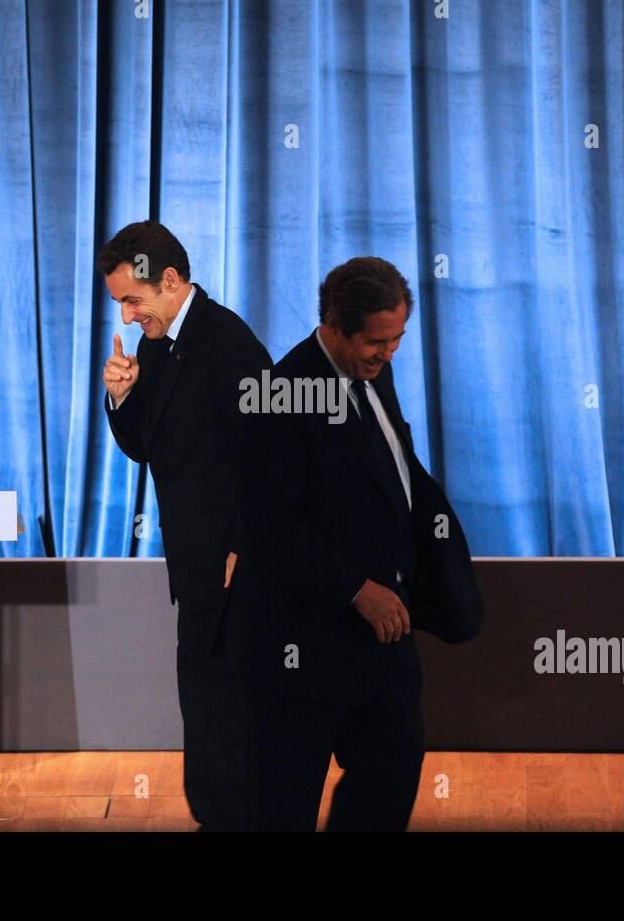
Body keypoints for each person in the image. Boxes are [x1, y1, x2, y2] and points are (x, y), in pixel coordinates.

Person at [234, 255, 427, 831]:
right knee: (283, 804)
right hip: (302, 641)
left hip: (382, 634)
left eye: (396, 339)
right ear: (333, 327)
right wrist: (355, 589)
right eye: (375, 341)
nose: (388, 354)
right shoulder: (279, 396)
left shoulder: (374, 372)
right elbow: (270, 525)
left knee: (392, 771)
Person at [98, 220, 271, 831]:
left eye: (131, 300)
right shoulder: (157, 341)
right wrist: (121, 399)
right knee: (202, 698)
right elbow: (147, 445)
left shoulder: (228, 345)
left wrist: (244, 550)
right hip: (196, 564)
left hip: (235, 568)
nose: (125, 316)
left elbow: (274, 457)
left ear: (169, 281)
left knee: (226, 706)